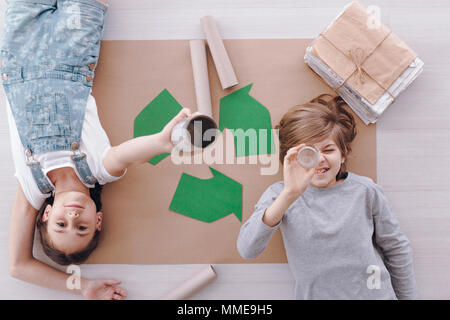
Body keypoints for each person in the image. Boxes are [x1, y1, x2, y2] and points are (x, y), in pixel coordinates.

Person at [2, 0, 192, 299]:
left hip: (19, 45)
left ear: (46, 214)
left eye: (61, 224)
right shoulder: (99, 170)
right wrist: (161, 143)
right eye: (82, 229)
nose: (73, 219)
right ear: (98, 220)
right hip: (73, 51)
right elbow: (127, 153)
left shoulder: (32, 188)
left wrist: (82, 287)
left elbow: (18, 266)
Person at [237, 94, 419, 299]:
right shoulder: (279, 196)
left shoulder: (365, 190)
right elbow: (247, 250)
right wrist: (289, 194)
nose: (319, 159)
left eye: (328, 149)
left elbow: (396, 248)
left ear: (343, 154)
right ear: (291, 159)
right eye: (308, 153)